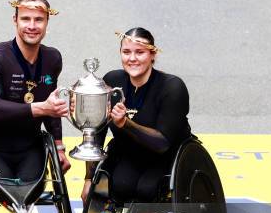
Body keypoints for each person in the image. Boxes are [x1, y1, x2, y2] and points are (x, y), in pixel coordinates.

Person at [81, 27, 192, 203]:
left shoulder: (172, 87)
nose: (132, 58)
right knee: (119, 186)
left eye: (140, 52)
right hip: (130, 152)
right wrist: (89, 179)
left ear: (152, 55)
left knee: (147, 190)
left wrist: (125, 123)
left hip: (166, 156)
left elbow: (162, 143)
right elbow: (97, 131)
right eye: (126, 52)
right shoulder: (112, 81)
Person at [0, 0, 70, 184]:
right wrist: (41, 108)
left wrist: (59, 147)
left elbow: (51, 107)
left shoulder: (53, 58)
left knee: (28, 195)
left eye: (39, 20)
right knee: (8, 194)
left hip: (31, 147)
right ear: (15, 20)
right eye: (25, 19)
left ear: (47, 22)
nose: (32, 26)